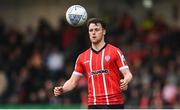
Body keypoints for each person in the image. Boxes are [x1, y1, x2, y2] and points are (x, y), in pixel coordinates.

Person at [54, 18, 133, 109]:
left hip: (114, 103)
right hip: (94, 104)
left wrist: (125, 80)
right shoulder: (82, 57)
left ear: (103, 32)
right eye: (91, 30)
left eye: (97, 30)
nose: (93, 33)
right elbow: (72, 81)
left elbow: (128, 74)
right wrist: (62, 89)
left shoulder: (115, 51)